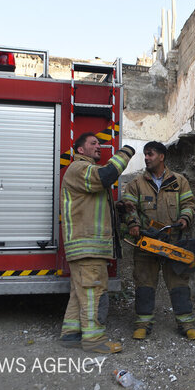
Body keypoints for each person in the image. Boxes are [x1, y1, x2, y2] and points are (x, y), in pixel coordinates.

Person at [58, 133, 135, 354]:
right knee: (94, 293)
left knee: (80, 292)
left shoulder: (84, 172)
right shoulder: (79, 169)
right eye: (93, 143)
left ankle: (71, 334)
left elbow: (93, 204)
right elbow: (106, 175)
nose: (98, 146)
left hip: (86, 248)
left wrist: (119, 209)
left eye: (98, 143)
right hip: (87, 247)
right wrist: (126, 152)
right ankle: (94, 340)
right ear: (80, 150)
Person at [121, 141, 195, 341]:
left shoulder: (179, 181)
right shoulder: (136, 184)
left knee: (179, 283)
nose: (146, 158)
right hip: (146, 243)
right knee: (144, 283)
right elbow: (129, 207)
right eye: (145, 155)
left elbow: (189, 204)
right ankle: (142, 323)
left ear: (162, 156)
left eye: (150, 154)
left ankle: (186, 324)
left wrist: (185, 218)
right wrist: (133, 223)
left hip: (173, 243)